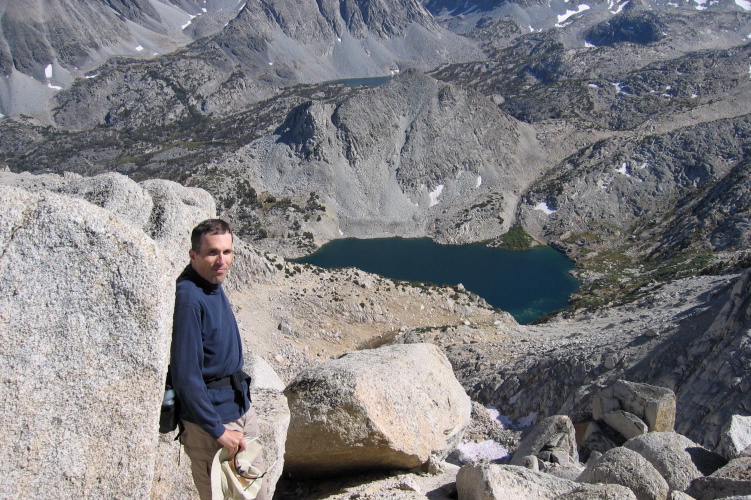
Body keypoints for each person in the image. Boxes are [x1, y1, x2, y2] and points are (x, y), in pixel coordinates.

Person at [170, 219, 267, 500]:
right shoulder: (189, 297)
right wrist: (217, 430)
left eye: (227, 252)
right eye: (212, 252)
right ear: (193, 255)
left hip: (238, 408)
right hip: (214, 424)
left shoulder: (212, 283)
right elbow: (185, 376)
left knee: (256, 493)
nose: (221, 260)